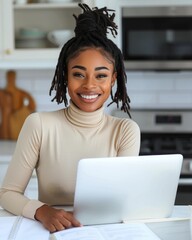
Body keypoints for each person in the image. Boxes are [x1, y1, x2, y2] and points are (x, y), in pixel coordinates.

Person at [0, 3, 140, 233]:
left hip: (105, 231)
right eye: (78, 74)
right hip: (49, 231)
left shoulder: (125, 131)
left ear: (113, 79)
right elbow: (7, 194)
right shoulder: (39, 125)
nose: (89, 85)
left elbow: (121, 201)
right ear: (65, 76)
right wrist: (42, 210)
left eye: (101, 75)